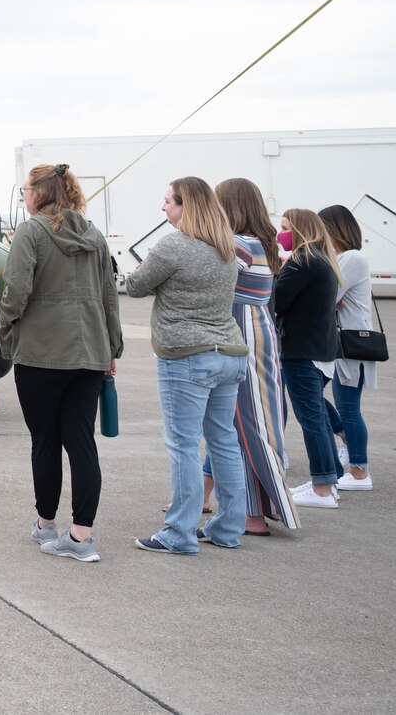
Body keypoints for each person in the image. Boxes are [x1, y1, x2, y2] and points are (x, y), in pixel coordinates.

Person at [0, 163, 122, 564]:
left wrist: (5, 331)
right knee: (81, 442)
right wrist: (111, 347)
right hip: (89, 351)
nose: (24, 196)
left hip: (41, 352)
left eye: (25, 190)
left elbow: (16, 291)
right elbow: (109, 296)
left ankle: (46, 523)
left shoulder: (30, 232)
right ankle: (81, 535)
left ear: (38, 192)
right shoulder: (93, 235)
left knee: (45, 441)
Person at [123, 177, 250, 554]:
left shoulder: (172, 246)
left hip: (187, 355)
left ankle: (179, 533)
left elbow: (135, 286)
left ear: (185, 206)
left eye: (167, 201)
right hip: (229, 351)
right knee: (224, 441)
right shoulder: (227, 246)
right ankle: (228, 528)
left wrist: (144, 268)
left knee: (182, 444)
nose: (163, 208)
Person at [214, 178, 299, 534]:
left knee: (250, 425)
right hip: (258, 333)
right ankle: (253, 510)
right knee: (250, 423)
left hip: (245, 336)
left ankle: (263, 509)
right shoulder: (260, 242)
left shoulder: (240, 246)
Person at [274, 207, 343, 509]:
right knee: (319, 416)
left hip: (302, 350)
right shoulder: (321, 259)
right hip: (322, 349)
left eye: (285, 227)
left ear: (300, 230)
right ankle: (330, 477)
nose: (281, 233)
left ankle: (322, 488)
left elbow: (276, 299)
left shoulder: (302, 261)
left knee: (311, 417)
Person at [318, 204, 377, 491]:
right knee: (318, 397)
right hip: (338, 342)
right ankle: (345, 439)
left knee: (349, 407)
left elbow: (328, 295)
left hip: (352, 342)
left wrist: (330, 298)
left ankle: (359, 471)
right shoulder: (342, 258)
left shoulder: (352, 258)